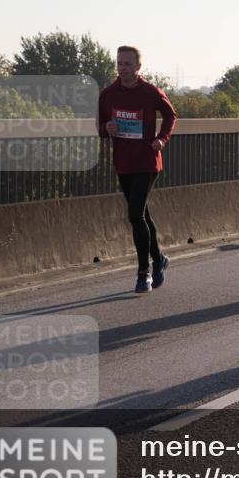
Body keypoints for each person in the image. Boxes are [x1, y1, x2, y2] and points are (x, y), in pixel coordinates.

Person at [98, 45, 177, 293]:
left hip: (147, 161)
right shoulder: (108, 94)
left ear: (138, 67)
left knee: (135, 215)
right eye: (119, 63)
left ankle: (144, 273)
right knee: (141, 215)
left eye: (127, 64)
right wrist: (106, 128)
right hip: (123, 163)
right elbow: (100, 126)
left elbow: (171, 116)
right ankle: (159, 258)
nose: (122, 68)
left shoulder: (150, 92)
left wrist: (161, 139)